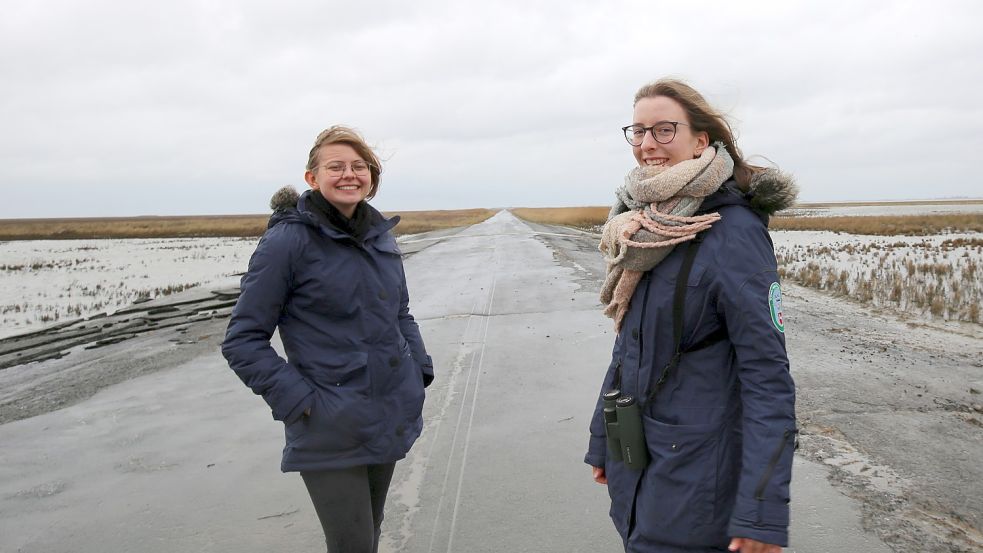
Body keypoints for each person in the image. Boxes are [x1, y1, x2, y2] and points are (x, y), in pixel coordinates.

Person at [586, 78, 798, 553]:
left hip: (701, 477)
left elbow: (768, 375)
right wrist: (604, 438)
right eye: (637, 131)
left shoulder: (733, 233)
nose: (647, 144)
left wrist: (761, 509)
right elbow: (630, 346)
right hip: (641, 465)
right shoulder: (642, 227)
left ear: (701, 140)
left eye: (664, 130)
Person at [222, 125, 434, 553]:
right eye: (335, 166)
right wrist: (302, 404)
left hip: (386, 410)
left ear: (372, 177)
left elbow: (400, 314)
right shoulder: (288, 241)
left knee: (367, 537)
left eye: (359, 166)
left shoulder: (380, 237)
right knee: (352, 544)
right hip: (328, 422)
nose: (349, 174)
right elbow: (242, 340)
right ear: (311, 177)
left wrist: (419, 369)